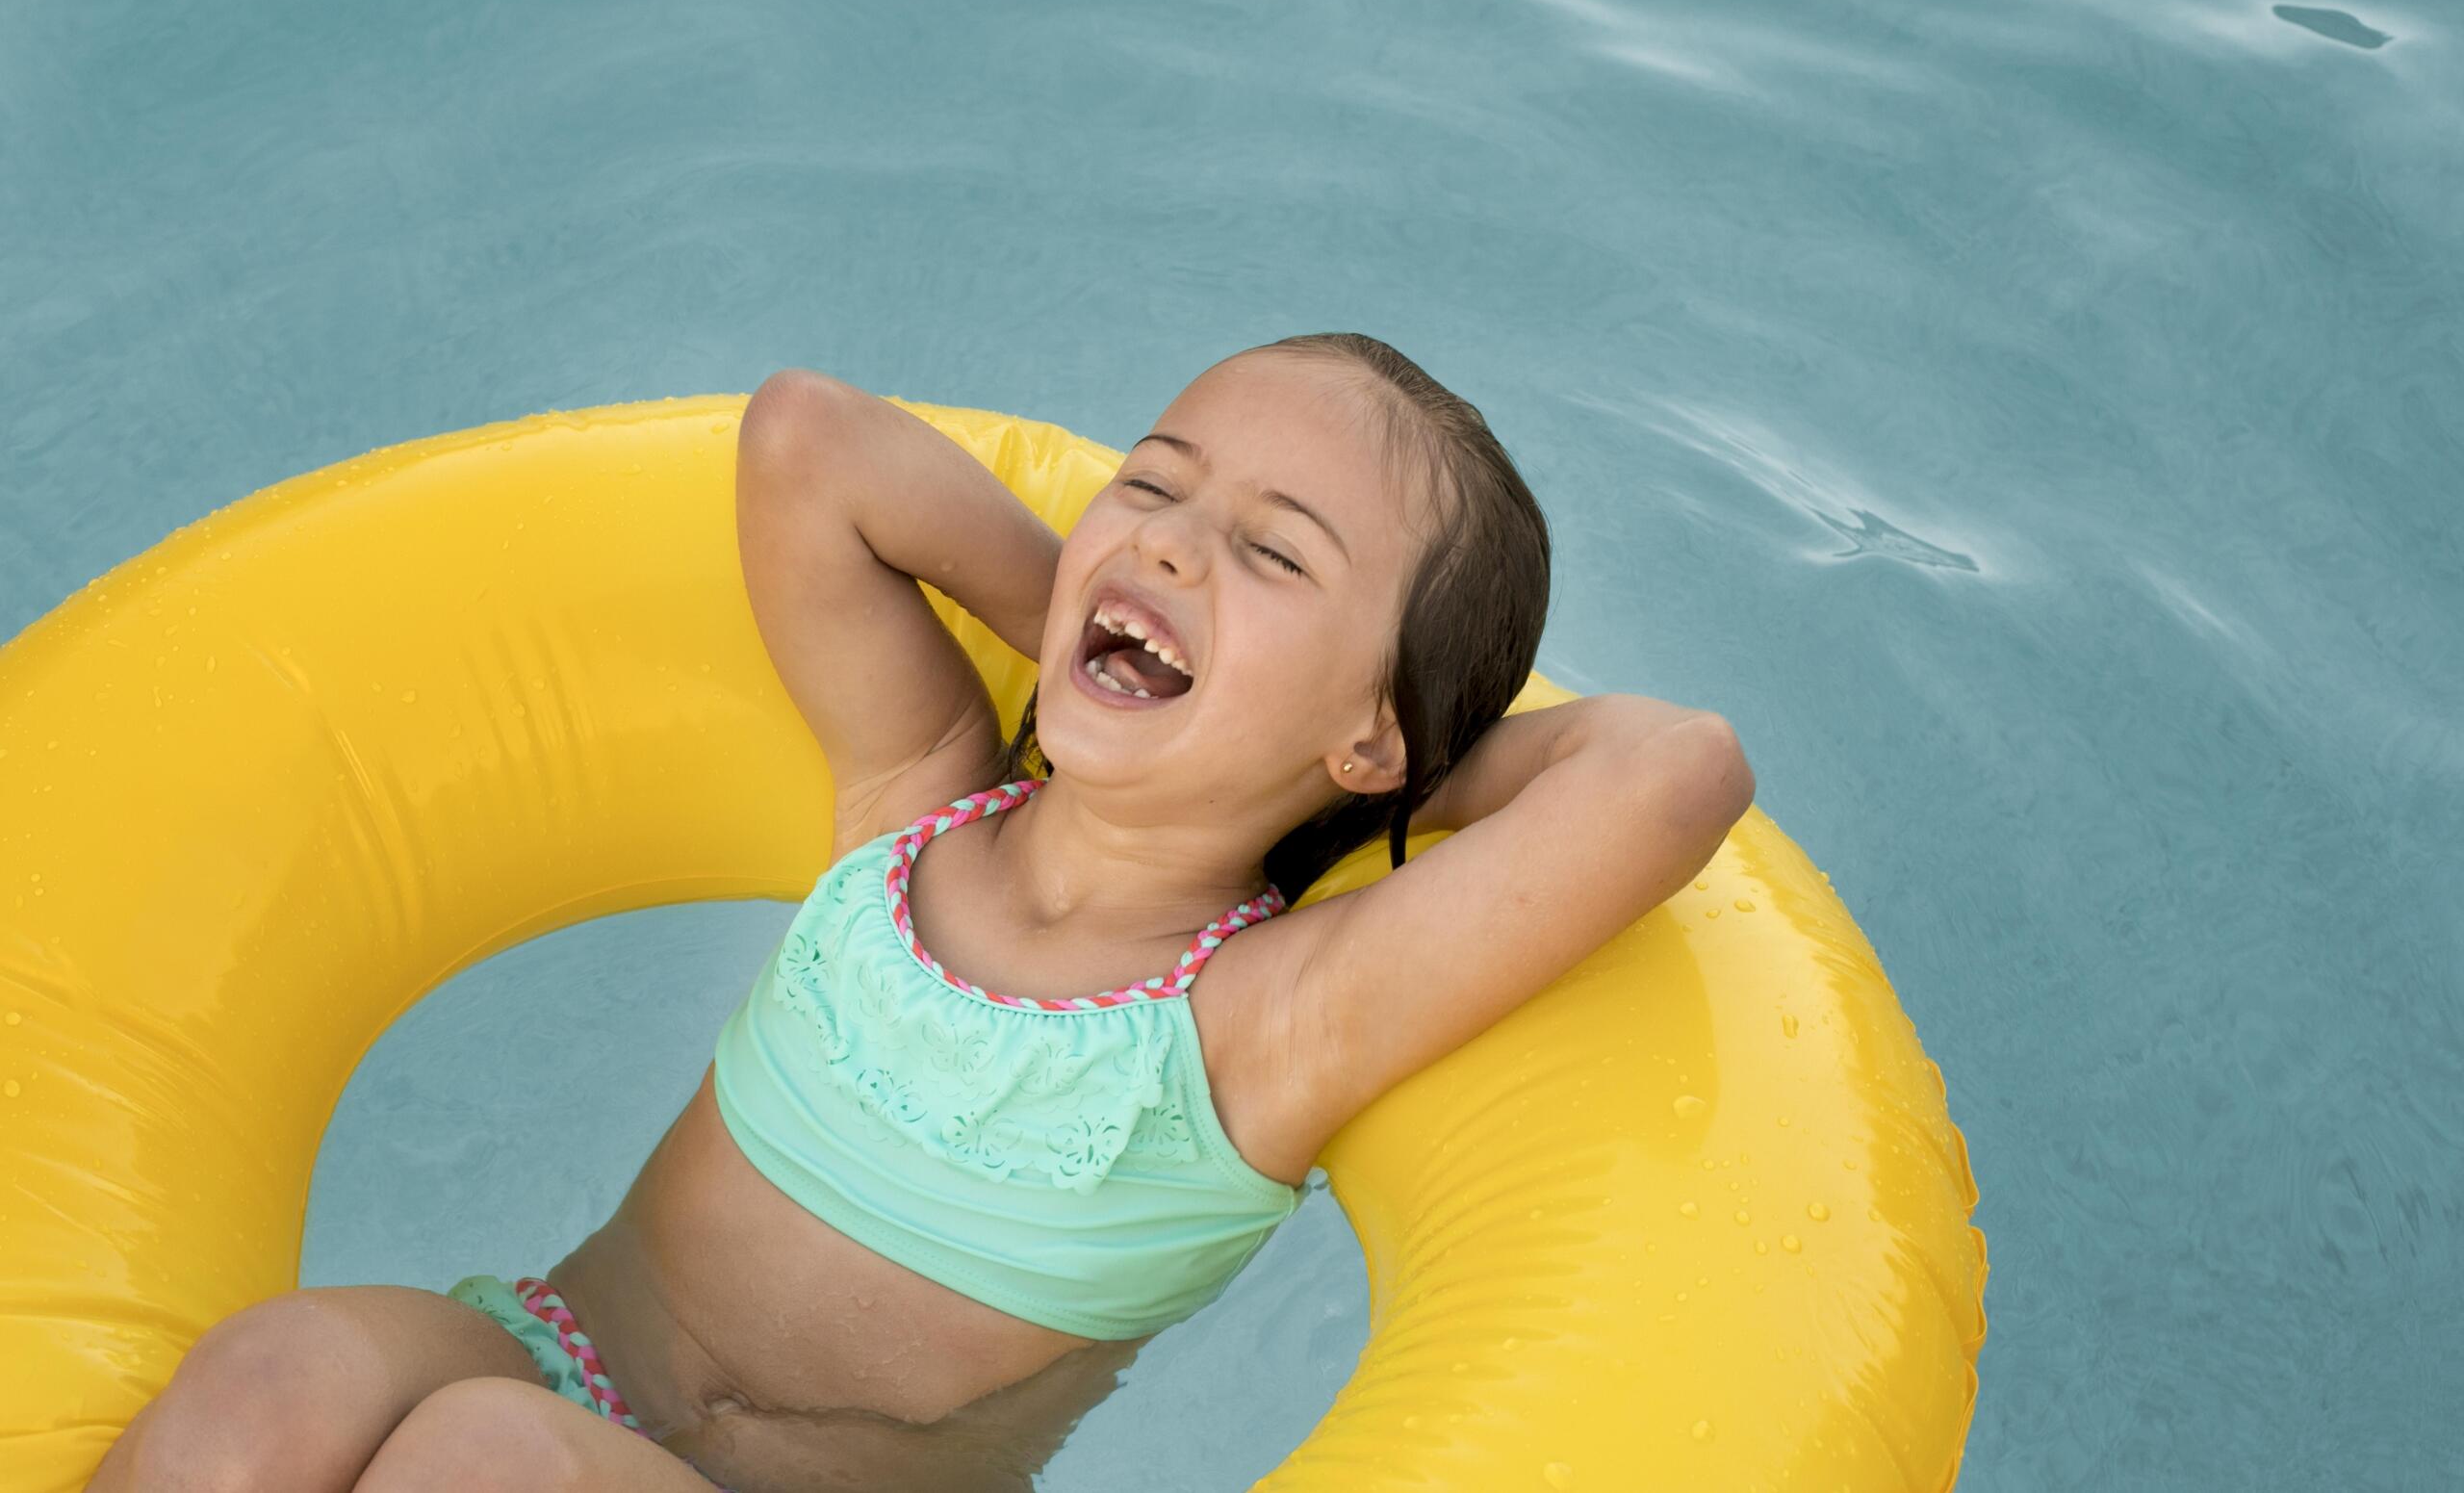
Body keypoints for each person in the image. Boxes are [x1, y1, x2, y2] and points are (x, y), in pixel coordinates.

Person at [90, 333, 1754, 1493]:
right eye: (1155, 485)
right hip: (556, 1354)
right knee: (266, 1381)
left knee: (481, 1470)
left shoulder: (1269, 1019)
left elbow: (1674, 771)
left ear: (1375, 726)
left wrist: (1366, 784)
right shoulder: (918, 798)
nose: (1171, 549)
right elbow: (811, 440)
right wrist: (1137, 635)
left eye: (1274, 555)